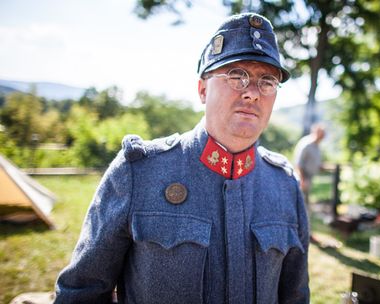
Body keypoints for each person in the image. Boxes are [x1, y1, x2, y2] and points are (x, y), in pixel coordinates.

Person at [54, 13, 309, 304]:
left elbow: (295, 296)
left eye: (267, 82)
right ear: (202, 89)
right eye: (237, 76)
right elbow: (81, 291)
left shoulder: (284, 186)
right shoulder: (139, 173)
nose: (252, 93)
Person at [293, 124, 326, 207]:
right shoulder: (307, 144)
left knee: (305, 203)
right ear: (317, 133)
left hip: (309, 177)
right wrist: (302, 180)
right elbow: (298, 163)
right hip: (303, 177)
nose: (323, 137)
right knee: (299, 202)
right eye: (322, 134)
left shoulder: (317, 145)